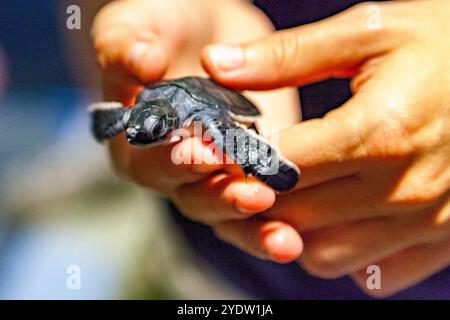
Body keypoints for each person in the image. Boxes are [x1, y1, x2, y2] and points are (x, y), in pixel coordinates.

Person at [91, 0, 450, 298]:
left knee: (223, 148)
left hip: (423, 275)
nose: (139, 133)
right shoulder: (150, 105)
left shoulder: (202, 117)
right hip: (214, 268)